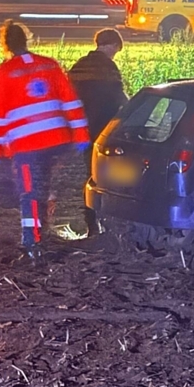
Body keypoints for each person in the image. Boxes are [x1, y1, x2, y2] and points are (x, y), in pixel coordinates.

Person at [0, 20, 90, 263]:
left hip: (26, 146)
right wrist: (81, 134)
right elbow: (70, 101)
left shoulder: (4, 72)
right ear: (28, 39)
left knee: (29, 192)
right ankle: (46, 226)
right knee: (47, 184)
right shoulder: (48, 65)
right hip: (57, 140)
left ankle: (32, 241)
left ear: (6, 44)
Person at [68, 28, 128, 237]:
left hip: (82, 129)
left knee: (89, 175)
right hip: (105, 129)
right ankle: (106, 223)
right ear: (112, 45)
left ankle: (91, 224)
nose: (114, 54)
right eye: (115, 49)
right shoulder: (108, 68)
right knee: (109, 176)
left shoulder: (79, 66)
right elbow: (120, 99)